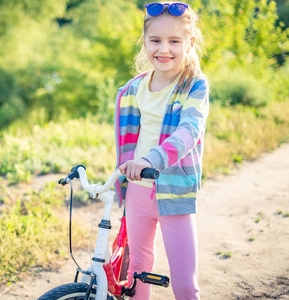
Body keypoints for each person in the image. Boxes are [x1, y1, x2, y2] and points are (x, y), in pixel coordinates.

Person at [114, 2, 209, 299]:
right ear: (144, 42)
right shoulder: (131, 90)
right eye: (155, 40)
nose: (163, 49)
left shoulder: (194, 85)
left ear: (189, 43)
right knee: (137, 272)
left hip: (174, 191)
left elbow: (188, 132)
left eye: (174, 41)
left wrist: (150, 159)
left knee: (184, 284)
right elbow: (127, 141)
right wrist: (124, 175)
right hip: (138, 191)